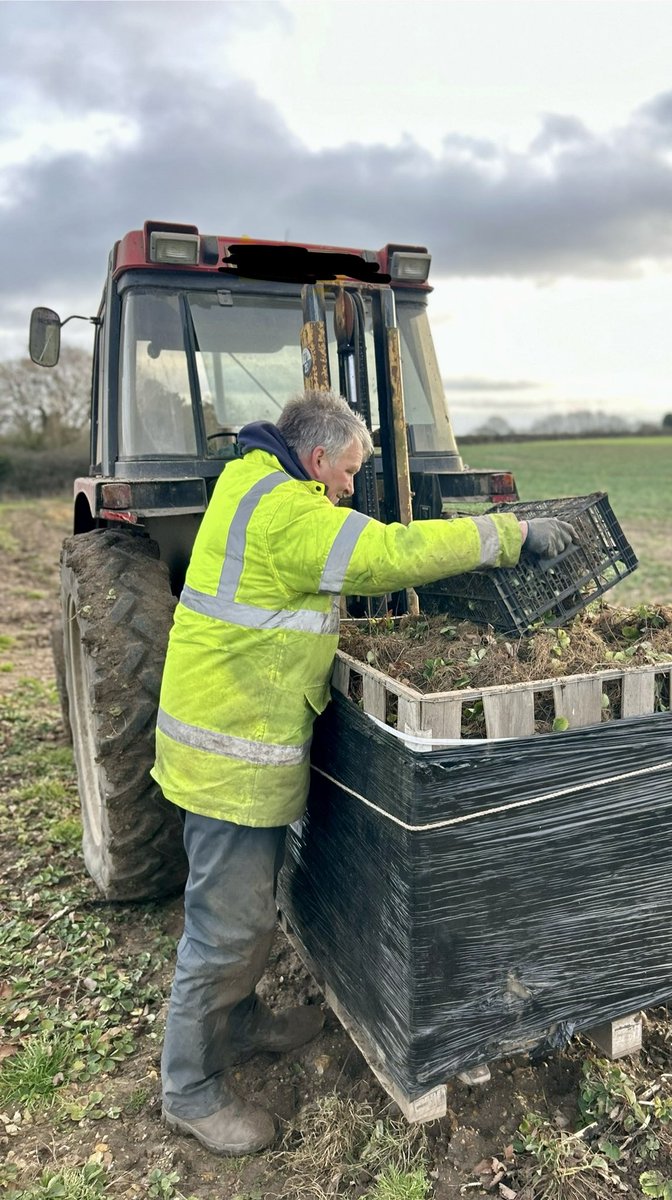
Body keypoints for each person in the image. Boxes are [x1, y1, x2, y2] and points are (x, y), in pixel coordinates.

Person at [152, 389, 575, 1155]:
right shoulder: (287, 513)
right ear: (317, 460)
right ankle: (189, 1089)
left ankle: (238, 1023)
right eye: (347, 473)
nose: (349, 488)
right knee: (226, 927)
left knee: (245, 915)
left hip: (231, 742)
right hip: (229, 759)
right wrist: (505, 536)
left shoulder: (251, 483)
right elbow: (387, 557)